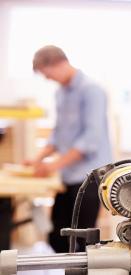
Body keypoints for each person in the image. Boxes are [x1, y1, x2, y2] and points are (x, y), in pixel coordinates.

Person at [25, 45, 113, 253]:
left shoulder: (92, 90)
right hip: (67, 175)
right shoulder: (61, 94)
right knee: (57, 237)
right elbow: (59, 134)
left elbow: (90, 140)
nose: (47, 79)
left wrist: (53, 165)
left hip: (90, 177)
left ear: (59, 63)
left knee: (81, 242)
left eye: (47, 74)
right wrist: (38, 159)